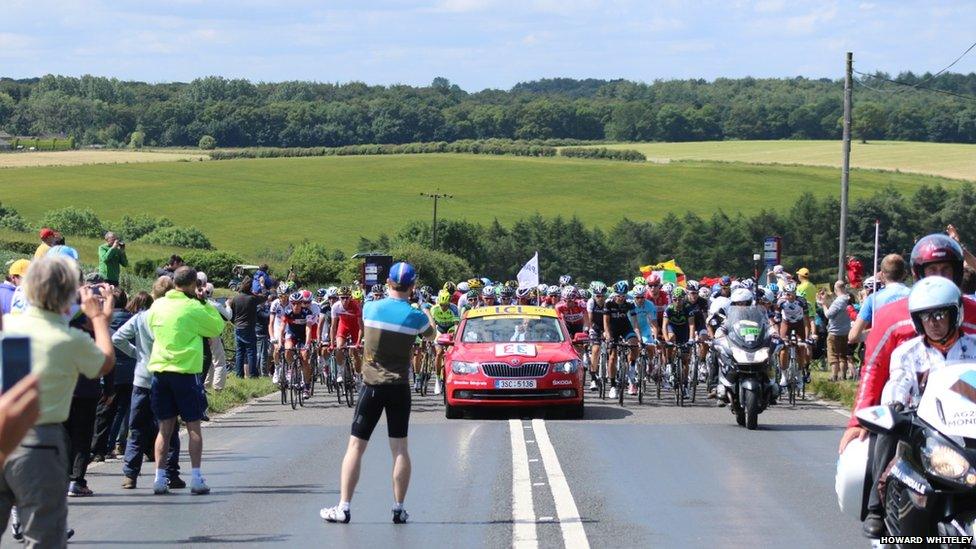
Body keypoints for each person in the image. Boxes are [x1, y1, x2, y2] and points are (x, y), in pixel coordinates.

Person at [839, 232, 976, 538]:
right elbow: (874, 369)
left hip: (967, 419)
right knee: (884, 429)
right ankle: (876, 506)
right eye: (932, 270)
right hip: (921, 419)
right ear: (918, 274)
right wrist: (859, 418)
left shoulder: (973, 334)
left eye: (946, 270)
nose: (934, 322)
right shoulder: (895, 327)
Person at [0, 256, 115, 547]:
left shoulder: (9, 326)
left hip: (4, 427)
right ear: (70, 293)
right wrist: (100, 320)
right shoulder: (68, 339)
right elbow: (104, 363)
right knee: (43, 536)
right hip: (39, 439)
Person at [321, 262, 434, 525]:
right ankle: (398, 508)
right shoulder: (414, 316)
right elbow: (431, 334)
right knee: (400, 449)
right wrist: (424, 309)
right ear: (413, 286)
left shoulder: (371, 307)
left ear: (388, 284)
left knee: (356, 447)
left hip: (371, 385)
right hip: (399, 387)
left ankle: (344, 506)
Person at [145, 266, 226, 495]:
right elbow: (217, 326)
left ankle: (159, 478)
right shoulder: (192, 307)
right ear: (193, 285)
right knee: (193, 426)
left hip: (160, 370)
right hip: (185, 372)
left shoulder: (158, 305)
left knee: (164, 428)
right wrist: (204, 302)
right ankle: (197, 477)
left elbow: (151, 327)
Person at [113, 279, 183, 490]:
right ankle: (171, 472)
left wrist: (139, 354)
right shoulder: (175, 317)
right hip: (168, 376)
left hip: (142, 377)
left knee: (136, 427)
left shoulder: (141, 317)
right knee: (169, 428)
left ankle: (130, 474)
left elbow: (118, 338)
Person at [91, 288, 134, 463]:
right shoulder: (132, 319)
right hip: (130, 372)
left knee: (105, 412)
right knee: (123, 411)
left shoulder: (102, 321)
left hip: (109, 371)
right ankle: (119, 443)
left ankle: (101, 448)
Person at [848, 254, 910, 345]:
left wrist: (881, 332)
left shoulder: (872, 300)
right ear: (904, 273)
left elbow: (853, 336)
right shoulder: (915, 295)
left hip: (885, 351)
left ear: (881, 274)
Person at [229, 276, 265, 378]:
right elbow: (264, 297)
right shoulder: (252, 298)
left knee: (239, 352)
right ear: (251, 287)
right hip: (249, 327)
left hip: (238, 327)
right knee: (251, 351)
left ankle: (239, 374)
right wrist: (262, 285)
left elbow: (231, 314)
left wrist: (234, 322)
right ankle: (253, 374)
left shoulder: (236, 298)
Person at [819, 281, 852, 381]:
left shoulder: (839, 301)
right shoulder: (849, 299)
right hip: (846, 331)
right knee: (843, 354)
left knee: (833, 354)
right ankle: (843, 375)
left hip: (835, 331)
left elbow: (829, 315)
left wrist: (824, 305)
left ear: (835, 289)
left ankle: (834, 376)